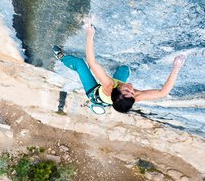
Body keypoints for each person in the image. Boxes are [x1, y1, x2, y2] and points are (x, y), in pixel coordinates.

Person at [53, 17, 186, 114]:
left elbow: (91, 62)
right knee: (124, 69)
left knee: (80, 64)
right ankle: (101, 104)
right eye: (132, 92)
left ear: (116, 89)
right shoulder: (133, 97)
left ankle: (61, 57)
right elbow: (163, 93)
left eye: (127, 90)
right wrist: (176, 69)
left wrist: (90, 34)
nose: (132, 88)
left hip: (94, 93)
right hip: (111, 99)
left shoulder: (109, 85)